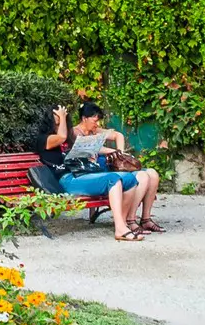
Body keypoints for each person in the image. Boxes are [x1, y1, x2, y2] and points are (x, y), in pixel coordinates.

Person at [29, 101, 148, 242]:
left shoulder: (69, 138)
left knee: (130, 179)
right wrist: (61, 115)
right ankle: (120, 229)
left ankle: (122, 223)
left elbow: (73, 141)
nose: (61, 121)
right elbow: (61, 137)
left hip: (81, 173)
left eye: (63, 118)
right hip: (67, 180)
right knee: (113, 179)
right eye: (57, 119)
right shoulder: (44, 139)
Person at [71, 101, 162, 234]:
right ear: (84, 118)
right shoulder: (74, 133)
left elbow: (118, 135)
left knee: (152, 174)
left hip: (111, 166)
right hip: (97, 171)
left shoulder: (95, 130)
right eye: (95, 120)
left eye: (98, 121)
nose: (97, 124)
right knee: (142, 177)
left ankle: (145, 219)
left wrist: (121, 154)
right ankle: (129, 220)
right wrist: (111, 151)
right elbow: (91, 149)